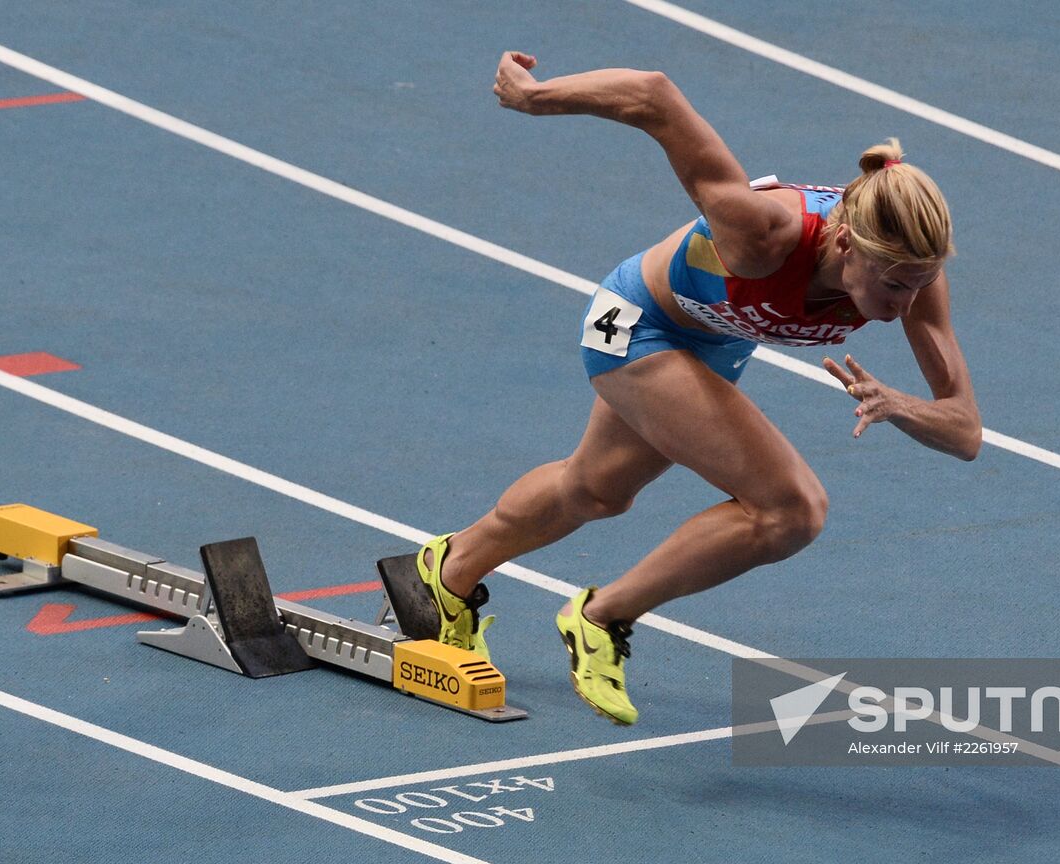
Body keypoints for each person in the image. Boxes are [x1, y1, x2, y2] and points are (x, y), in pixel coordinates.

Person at [415, 51, 982, 725]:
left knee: (597, 491)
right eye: (892, 284)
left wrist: (902, 405)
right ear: (847, 245)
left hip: (717, 338)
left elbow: (964, 430)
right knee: (791, 510)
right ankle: (600, 617)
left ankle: (448, 573)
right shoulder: (763, 232)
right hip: (637, 321)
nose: (903, 303)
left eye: (919, 284)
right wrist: (536, 97)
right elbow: (653, 97)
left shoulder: (912, 276)